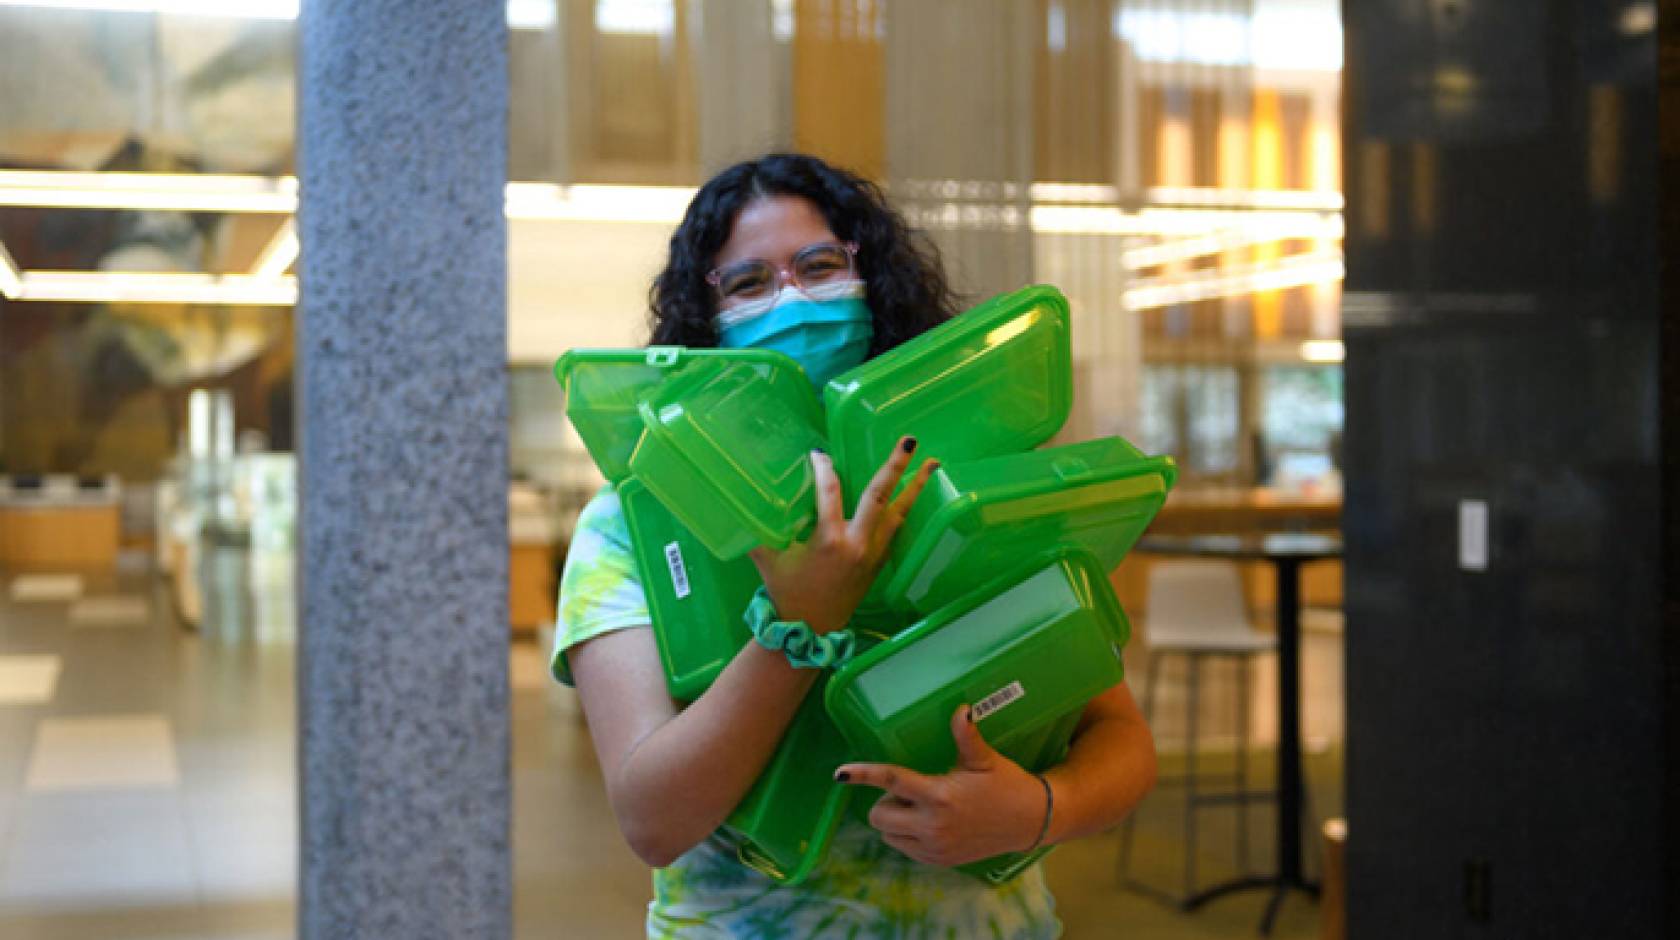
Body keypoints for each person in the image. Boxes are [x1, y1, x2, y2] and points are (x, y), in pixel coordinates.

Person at [555, 152, 1157, 938]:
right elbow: (652, 819)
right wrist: (797, 627)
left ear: (871, 280)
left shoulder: (974, 480)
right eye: (748, 283)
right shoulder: (632, 521)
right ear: (706, 322)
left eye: (819, 266)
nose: (793, 301)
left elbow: (1121, 739)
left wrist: (1039, 809)